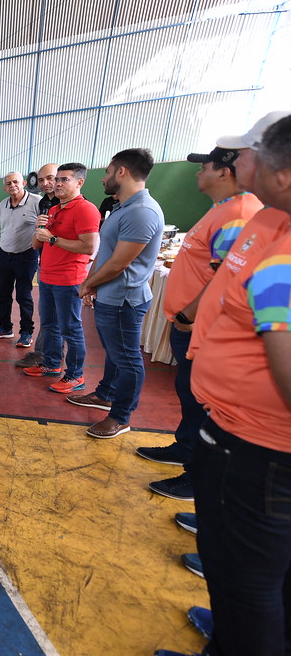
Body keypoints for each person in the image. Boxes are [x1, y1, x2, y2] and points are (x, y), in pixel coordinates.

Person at [153, 113, 291, 656]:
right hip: (238, 431)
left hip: (256, 446)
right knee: (250, 578)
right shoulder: (270, 222)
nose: (236, 164)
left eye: (244, 154)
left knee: (246, 578)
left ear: (280, 171)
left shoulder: (280, 250)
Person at [141, 145, 264, 502]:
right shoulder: (224, 209)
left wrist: (187, 315)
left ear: (224, 172)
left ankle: (197, 474)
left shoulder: (239, 213)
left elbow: (223, 275)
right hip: (193, 323)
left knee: (202, 401)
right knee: (189, 394)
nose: (197, 172)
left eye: (204, 167)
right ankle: (186, 449)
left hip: (202, 326)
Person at [70, 148, 165, 435]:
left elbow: (120, 263)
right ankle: (105, 394)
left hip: (125, 300)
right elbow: (106, 253)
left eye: (108, 171)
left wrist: (88, 284)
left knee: (127, 360)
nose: (103, 178)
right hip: (111, 295)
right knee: (115, 352)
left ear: (122, 171)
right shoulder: (123, 206)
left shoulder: (141, 212)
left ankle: (121, 416)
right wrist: (93, 283)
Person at [24, 162, 100, 391]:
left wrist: (53, 239)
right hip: (47, 277)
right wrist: (39, 231)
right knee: (49, 325)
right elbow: (36, 244)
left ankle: (76, 375)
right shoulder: (54, 210)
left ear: (80, 182)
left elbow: (89, 247)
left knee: (71, 329)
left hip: (68, 280)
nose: (56, 184)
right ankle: (51, 363)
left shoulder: (85, 209)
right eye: (56, 179)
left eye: (63, 179)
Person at [0, 172, 40, 346]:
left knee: (23, 296)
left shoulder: (36, 202)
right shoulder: (2, 205)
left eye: (16, 182)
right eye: (8, 183)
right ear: (4, 187)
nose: (12, 185)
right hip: (4, 255)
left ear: (24, 183)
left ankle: (26, 332)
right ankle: (5, 328)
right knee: (2, 294)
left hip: (26, 255)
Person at [17, 163, 62, 368]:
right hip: (46, 264)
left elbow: (88, 245)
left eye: (50, 178)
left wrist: (51, 239)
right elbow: (39, 240)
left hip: (65, 270)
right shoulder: (45, 203)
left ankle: (53, 360)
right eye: (42, 180)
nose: (45, 183)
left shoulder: (74, 206)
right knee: (48, 315)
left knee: (63, 320)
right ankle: (44, 354)